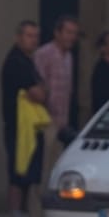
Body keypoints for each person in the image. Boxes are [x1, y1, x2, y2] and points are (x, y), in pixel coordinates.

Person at [0, 20, 49, 217]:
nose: (33, 40)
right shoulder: (17, 62)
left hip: (28, 128)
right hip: (19, 128)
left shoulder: (28, 61)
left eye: (35, 36)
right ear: (19, 37)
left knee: (27, 178)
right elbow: (39, 94)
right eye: (29, 36)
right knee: (18, 176)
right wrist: (41, 90)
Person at [33, 14, 82, 144]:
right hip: (45, 120)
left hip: (63, 122)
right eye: (68, 32)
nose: (72, 37)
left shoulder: (69, 57)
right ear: (57, 33)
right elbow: (38, 85)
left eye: (74, 34)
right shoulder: (44, 54)